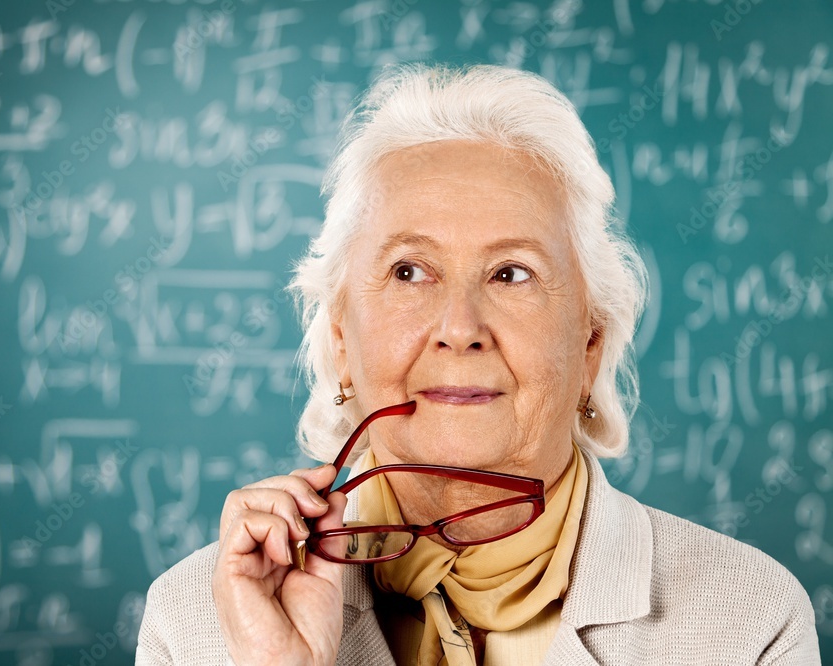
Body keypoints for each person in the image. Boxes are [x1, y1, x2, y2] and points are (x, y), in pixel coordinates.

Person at [135, 63, 821, 665]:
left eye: (512, 273)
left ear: (590, 344)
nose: (460, 329)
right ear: (341, 340)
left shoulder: (748, 621)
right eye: (409, 271)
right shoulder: (193, 623)